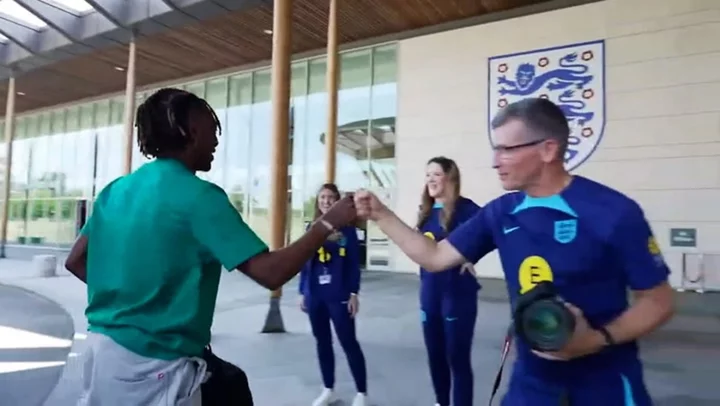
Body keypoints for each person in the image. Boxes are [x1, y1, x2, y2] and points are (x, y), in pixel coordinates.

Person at [354, 98, 675, 406]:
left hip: (606, 386)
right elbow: (435, 257)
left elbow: (658, 301)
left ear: (548, 149)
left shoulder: (614, 212)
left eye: (507, 149)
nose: (495, 161)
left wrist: (595, 339)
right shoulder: (501, 212)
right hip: (532, 386)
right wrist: (382, 215)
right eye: (496, 149)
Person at [64, 88, 356, 406]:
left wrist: (132, 299)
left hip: (101, 354)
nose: (216, 141)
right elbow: (272, 272)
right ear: (189, 131)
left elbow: (76, 260)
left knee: (231, 386)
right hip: (155, 366)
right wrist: (327, 223)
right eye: (212, 130)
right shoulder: (199, 197)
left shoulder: (116, 191)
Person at [416, 156, 480, 406]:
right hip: (429, 294)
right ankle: (441, 402)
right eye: (427, 174)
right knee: (435, 356)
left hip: (457, 295)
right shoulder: (425, 212)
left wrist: (470, 255)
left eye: (436, 174)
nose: (430, 179)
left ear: (450, 177)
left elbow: (490, 233)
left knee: (457, 359)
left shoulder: (467, 209)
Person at [299, 183, 368, 406]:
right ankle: (329, 389)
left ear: (337, 201)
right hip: (315, 294)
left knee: (348, 342)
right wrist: (303, 292)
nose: (326, 201)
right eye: (322, 197)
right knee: (322, 342)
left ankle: (361, 393)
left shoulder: (348, 230)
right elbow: (303, 261)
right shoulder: (313, 228)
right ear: (317, 201)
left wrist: (354, 293)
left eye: (330, 197)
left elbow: (353, 265)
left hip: (339, 294)